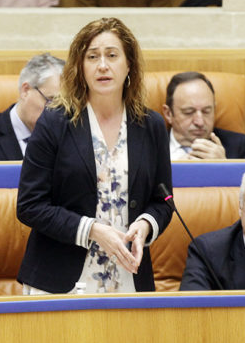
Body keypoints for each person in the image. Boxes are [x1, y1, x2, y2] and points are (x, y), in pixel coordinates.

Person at [16, 17, 173, 293]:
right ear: (80, 67)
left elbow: (163, 201)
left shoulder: (151, 126)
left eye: (112, 55)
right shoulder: (55, 122)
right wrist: (92, 230)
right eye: (92, 56)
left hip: (128, 275)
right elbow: (30, 205)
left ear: (129, 66)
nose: (103, 65)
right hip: (59, 277)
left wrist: (146, 225)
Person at [162, 71, 245, 160]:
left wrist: (225, 166)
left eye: (206, 111)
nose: (200, 122)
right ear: (168, 114)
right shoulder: (150, 147)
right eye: (189, 112)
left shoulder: (238, 145)